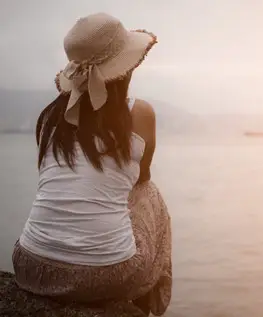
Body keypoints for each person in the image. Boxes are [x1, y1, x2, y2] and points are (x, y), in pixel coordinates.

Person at [11, 12, 172, 316]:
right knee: (150, 195)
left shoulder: (50, 118)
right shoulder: (141, 114)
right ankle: (145, 305)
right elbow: (142, 178)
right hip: (104, 277)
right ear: (125, 69)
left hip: (29, 266)